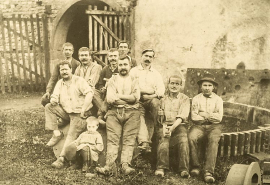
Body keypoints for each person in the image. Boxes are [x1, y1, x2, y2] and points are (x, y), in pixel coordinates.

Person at [44, 60, 94, 169]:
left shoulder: (79, 81)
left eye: (66, 69)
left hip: (80, 114)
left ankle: (62, 159)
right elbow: (55, 95)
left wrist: (83, 110)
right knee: (49, 107)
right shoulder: (59, 83)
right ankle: (56, 133)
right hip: (67, 113)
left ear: (71, 70)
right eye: (62, 70)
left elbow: (89, 94)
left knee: (71, 134)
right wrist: (53, 99)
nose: (64, 72)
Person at [96, 56, 141, 175]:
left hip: (132, 113)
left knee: (129, 139)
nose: (123, 67)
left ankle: (125, 165)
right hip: (114, 112)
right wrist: (128, 99)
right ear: (118, 66)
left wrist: (119, 96)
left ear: (130, 66)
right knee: (112, 140)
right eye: (120, 65)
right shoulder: (112, 80)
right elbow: (110, 99)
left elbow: (136, 98)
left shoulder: (135, 80)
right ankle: (109, 166)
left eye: (125, 65)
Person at [188, 73, 223, 183]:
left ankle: (208, 172)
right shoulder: (196, 99)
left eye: (209, 85)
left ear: (213, 87)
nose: (207, 88)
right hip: (199, 126)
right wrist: (210, 116)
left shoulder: (218, 100)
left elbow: (219, 118)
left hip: (214, 127)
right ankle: (195, 167)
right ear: (200, 87)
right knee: (191, 137)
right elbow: (194, 116)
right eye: (204, 85)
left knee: (213, 140)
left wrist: (203, 114)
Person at [130, 49, 165, 152]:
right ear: (141, 56)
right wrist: (146, 91)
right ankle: (144, 142)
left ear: (153, 59)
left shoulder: (156, 73)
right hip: (138, 99)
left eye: (150, 57)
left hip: (151, 99)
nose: (148, 59)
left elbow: (161, 90)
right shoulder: (134, 71)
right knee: (138, 113)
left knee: (156, 103)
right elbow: (131, 87)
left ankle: (159, 130)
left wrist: (151, 95)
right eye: (146, 56)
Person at [155, 75, 190, 178]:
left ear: (181, 86)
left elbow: (182, 116)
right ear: (168, 84)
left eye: (177, 84)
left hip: (179, 125)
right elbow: (160, 118)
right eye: (172, 83)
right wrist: (165, 126)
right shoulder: (162, 99)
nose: (174, 86)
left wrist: (172, 127)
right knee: (164, 139)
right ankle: (161, 167)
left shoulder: (185, 99)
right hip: (165, 125)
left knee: (183, 140)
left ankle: (183, 168)